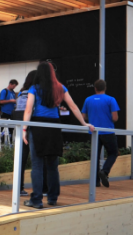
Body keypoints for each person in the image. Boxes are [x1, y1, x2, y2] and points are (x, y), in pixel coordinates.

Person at [22, 62, 94, 209]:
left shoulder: (34, 88)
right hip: (54, 126)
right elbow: (73, 106)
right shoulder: (60, 88)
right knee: (53, 165)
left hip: (38, 126)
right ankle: (53, 197)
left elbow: (28, 110)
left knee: (37, 165)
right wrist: (84, 123)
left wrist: (24, 129)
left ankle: (36, 200)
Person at [81, 79, 120, 188]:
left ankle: (96, 182)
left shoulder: (88, 100)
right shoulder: (111, 100)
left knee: (95, 156)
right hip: (108, 131)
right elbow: (115, 117)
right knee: (113, 153)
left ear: (95, 88)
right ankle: (105, 171)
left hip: (94, 132)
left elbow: (83, 117)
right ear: (105, 88)